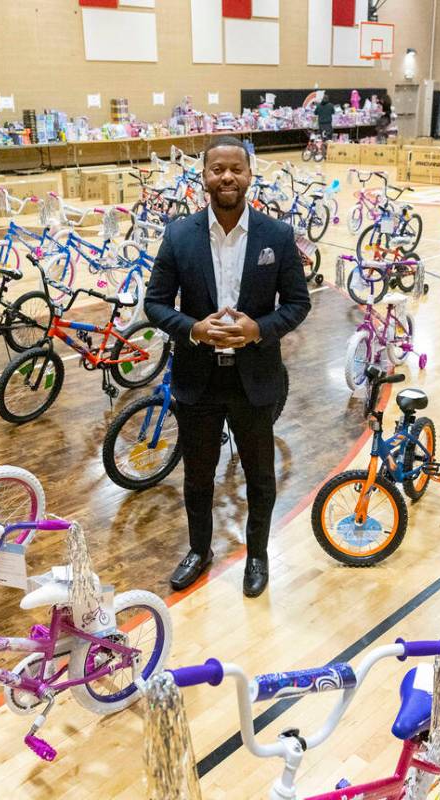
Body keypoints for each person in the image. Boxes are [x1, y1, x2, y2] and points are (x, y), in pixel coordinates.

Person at [143, 136, 311, 598]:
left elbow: (298, 304)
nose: (227, 177)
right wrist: (194, 329)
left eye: (236, 168)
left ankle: (257, 553)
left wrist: (260, 330)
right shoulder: (179, 235)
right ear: (204, 177)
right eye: (217, 169)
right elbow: (155, 305)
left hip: (255, 381)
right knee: (198, 476)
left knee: (260, 476)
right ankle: (200, 550)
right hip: (198, 380)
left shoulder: (276, 236)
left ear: (250, 175)